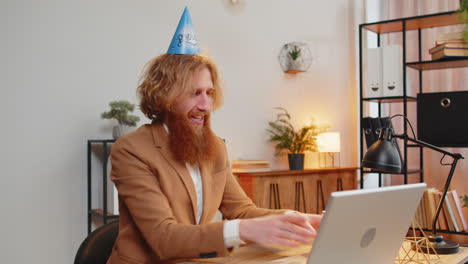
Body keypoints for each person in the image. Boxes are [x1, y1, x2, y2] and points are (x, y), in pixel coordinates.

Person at [106, 7, 322, 264]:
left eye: (209, 93)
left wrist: (291, 218)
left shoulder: (215, 147)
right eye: (194, 93)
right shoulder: (131, 150)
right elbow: (163, 238)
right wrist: (243, 230)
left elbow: (241, 210)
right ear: (165, 97)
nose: (206, 105)